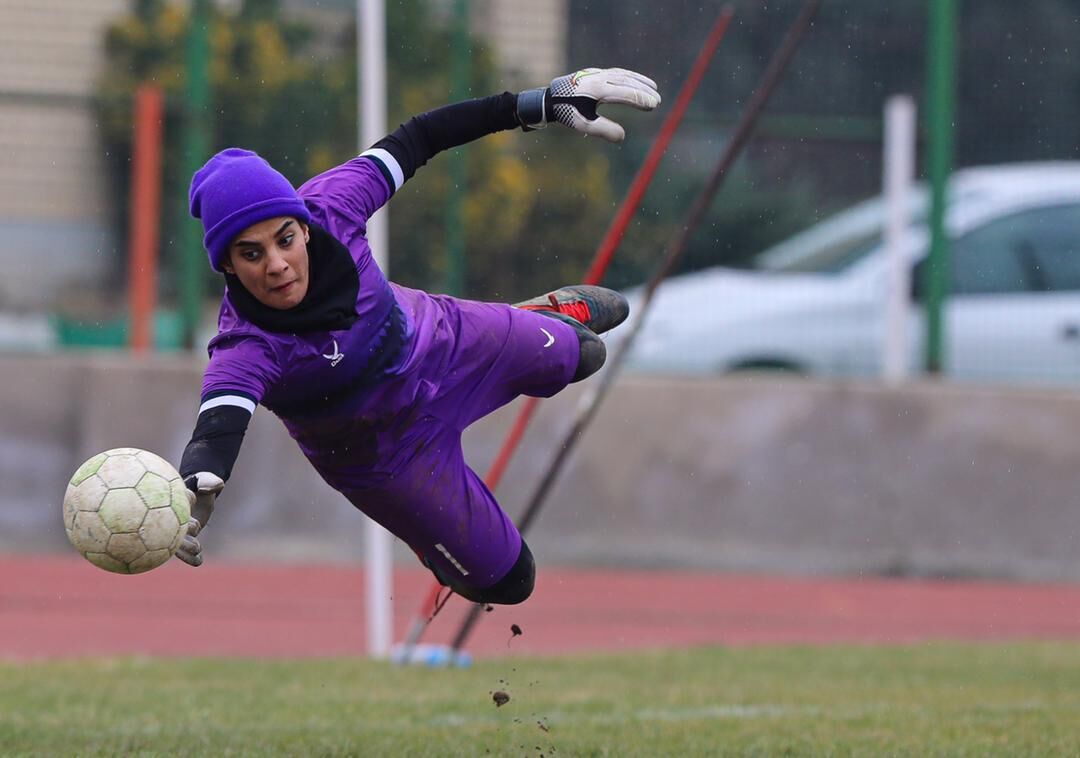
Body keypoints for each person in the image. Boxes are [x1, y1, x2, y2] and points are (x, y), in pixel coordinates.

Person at [176, 67, 660, 606]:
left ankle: (529, 317)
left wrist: (541, 101)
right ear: (228, 268)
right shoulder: (245, 346)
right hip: (390, 457)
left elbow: (422, 136)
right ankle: (440, 544)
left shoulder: (333, 205)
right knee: (510, 582)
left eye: (284, 239)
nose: (277, 264)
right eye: (251, 254)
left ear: (304, 226)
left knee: (585, 352)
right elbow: (217, 428)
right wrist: (194, 486)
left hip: (443, 343)